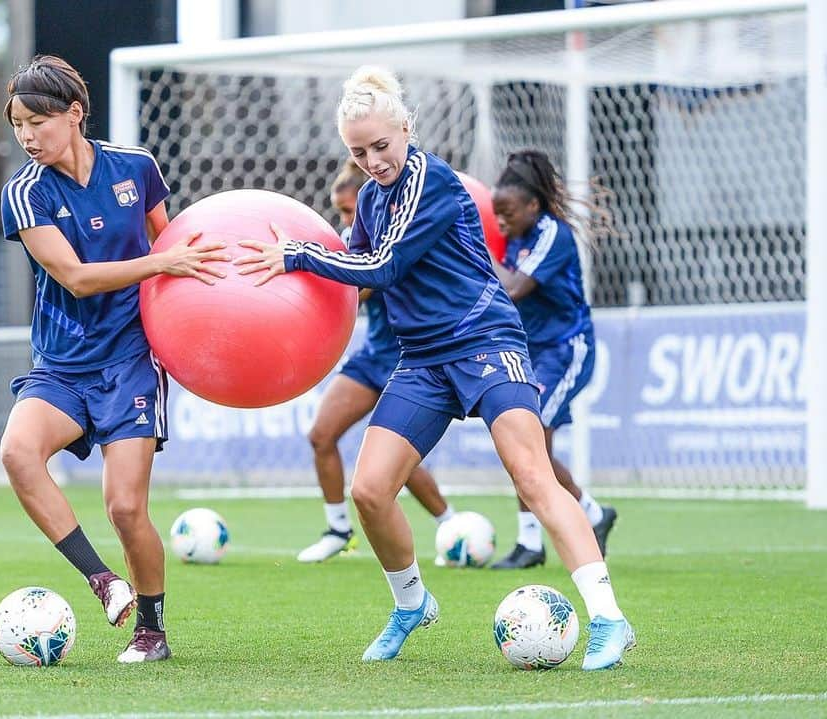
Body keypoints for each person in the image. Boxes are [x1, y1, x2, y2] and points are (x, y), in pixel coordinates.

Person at [235, 65, 634, 670]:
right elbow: (355, 271)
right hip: (422, 358)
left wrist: (295, 256)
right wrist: (275, 311)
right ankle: (412, 603)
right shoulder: (370, 196)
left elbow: (383, 266)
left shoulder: (431, 178)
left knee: (532, 476)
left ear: (406, 128)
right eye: (358, 151)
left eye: (380, 145)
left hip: (484, 339)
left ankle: (609, 617)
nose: (372, 160)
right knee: (369, 491)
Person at [0, 55, 228, 664]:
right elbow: (74, 278)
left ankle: (151, 628)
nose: (27, 136)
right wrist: (159, 264)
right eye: (17, 124)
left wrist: (204, 320)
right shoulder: (24, 193)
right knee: (18, 453)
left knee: (126, 507)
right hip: (61, 366)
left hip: (130, 359)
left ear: (73, 114)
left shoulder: (136, 167)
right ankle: (102, 580)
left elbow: (174, 244)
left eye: (37, 122)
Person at [298, 159, 456, 564]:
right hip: (373, 355)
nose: (346, 220)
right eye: (341, 212)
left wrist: (314, 265)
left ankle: (451, 527)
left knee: (393, 460)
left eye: (350, 211)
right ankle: (338, 529)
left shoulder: (398, 233)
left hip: (408, 354)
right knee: (321, 434)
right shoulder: (350, 240)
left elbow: (360, 287)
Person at [488, 150, 617, 570]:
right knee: (522, 441)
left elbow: (511, 289)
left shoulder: (552, 234)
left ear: (533, 205)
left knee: (528, 438)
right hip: (530, 350)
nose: (501, 222)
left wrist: (477, 247)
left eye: (507, 213)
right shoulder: (516, 236)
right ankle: (593, 515)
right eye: (496, 214)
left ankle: (531, 542)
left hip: (567, 349)